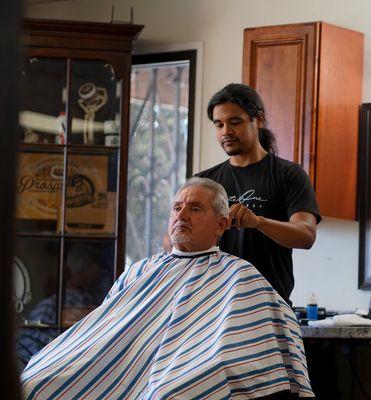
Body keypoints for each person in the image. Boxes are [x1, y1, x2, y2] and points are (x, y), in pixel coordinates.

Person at [21, 178, 314, 399]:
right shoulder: (140, 270)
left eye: (195, 208)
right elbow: (104, 329)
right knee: (38, 381)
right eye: (177, 207)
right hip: (120, 367)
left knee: (170, 394)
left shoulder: (239, 275)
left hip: (180, 375)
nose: (182, 214)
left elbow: (242, 350)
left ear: (221, 224)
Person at [197, 84, 321, 304]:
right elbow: (173, 240)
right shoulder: (203, 182)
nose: (226, 131)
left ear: (259, 120)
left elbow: (306, 235)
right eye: (219, 125)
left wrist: (258, 222)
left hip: (270, 307)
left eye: (235, 122)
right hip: (213, 307)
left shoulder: (288, 174)